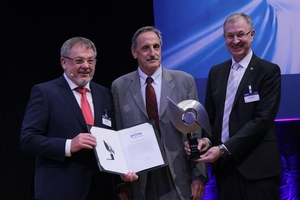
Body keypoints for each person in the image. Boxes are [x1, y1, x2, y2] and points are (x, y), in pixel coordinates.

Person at [188, 13, 282, 199]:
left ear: (252, 34)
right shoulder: (216, 72)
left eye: (241, 34)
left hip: (258, 170)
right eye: (230, 36)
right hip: (226, 170)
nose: (236, 40)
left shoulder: (268, 71)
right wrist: (206, 142)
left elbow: (262, 121)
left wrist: (223, 148)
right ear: (224, 38)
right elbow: (211, 119)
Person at [111, 26, 210, 200]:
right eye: (145, 48)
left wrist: (198, 177)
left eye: (156, 47)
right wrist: (122, 184)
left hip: (177, 174)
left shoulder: (184, 81)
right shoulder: (119, 86)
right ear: (134, 52)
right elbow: (118, 133)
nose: (152, 53)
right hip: (139, 179)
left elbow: (196, 132)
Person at [20, 37, 118, 200]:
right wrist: (69, 145)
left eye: (90, 61)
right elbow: (28, 140)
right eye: (79, 60)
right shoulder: (45, 93)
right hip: (60, 190)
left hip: (101, 189)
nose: (86, 66)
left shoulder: (105, 94)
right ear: (64, 62)